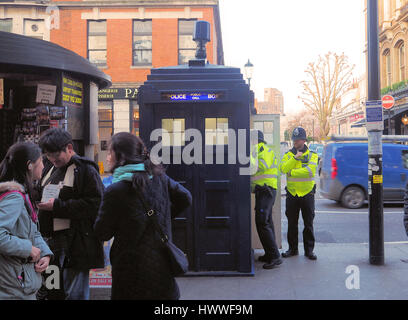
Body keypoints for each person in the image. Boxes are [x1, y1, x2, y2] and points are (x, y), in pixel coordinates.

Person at [94, 132, 192, 300]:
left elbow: (102, 233)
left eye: (110, 152)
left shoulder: (115, 191)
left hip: (129, 271)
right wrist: (164, 219)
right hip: (162, 266)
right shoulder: (160, 178)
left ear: (121, 156)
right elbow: (185, 198)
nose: (108, 157)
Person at [36, 128, 105, 300]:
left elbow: (96, 203)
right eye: (48, 155)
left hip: (76, 242)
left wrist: (58, 206)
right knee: (55, 291)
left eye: (55, 155)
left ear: (69, 147)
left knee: (75, 292)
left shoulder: (85, 170)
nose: (52, 159)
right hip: (51, 241)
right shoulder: (49, 168)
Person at [0, 142, 53, 300]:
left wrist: (45, 253)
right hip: (13, 284)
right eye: (41, 161)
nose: (43, 166)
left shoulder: (20, 193)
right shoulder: (14, 196)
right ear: (29, 165)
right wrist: (27, 249)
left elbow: (31, 230)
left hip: (17, 280)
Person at [279, 127, 318, 260]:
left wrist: (292, 172)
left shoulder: (313, 155)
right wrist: (295, 158)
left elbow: (310, 171)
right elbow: (283, 169)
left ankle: (309, 251)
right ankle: (292, 249)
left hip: (307, 193)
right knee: (292, 224)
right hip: (292, 193)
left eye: (298, 139)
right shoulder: (288, 155)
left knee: (308, 224)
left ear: (304, 140)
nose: (295, 142)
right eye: (294, 139)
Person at [250, 130, 282, 269]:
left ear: (255, 140)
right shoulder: (265, 150)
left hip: (265, 190)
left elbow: (253, 168)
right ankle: (270, 253)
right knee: (266, 222)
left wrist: (247, 156)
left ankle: (275, 256)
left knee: (262, 222)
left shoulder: (258, 150)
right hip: (266, 190)